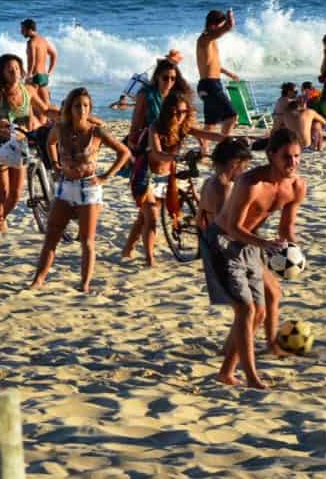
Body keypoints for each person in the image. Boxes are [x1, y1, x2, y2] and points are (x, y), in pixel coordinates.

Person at [203, 128, 306, 389]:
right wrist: (265, 244)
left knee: (259, 312)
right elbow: (233, 227)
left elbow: (286, 229)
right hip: (222, 243)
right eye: (286, 157)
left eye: (296, 156)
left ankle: (226, 372)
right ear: (271, 154)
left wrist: (294, 250)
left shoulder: (296, 186)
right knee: (246, 310)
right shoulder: (250, 183)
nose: (292, 163)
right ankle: (251, 377)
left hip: (251, 244)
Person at [30, 88, 130, 292]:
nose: (81, 110)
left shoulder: (96, 132)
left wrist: (106, 177)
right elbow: (50, 143)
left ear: (90, 108)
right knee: (52, 236)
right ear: (69, 109)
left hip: (89, 189)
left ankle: (84, 284)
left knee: (86, 240)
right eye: (77, 106)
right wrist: (56, 165)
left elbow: (124, 152)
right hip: (65, 187)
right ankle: (38, 280)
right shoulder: (61, 128)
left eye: (85, 106)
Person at [197, 137, 287, 359]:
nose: (245, 171)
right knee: (255, 306)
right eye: (244, 166)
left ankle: (250, 346)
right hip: (235, 249)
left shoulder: (209, 182)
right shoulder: (224, 187)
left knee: (263, 299)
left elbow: (200, 218)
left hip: (231, 246)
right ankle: (242, 349)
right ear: (234, 163)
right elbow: (227, 224)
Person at [121, 91, 226, 266]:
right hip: (146, 176)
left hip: (165, 178)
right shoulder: (155, 127)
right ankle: (150, 259)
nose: (179, 116)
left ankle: (127, 249)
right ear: (167, 111)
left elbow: (208, 135)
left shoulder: (183, 128)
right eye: (176, 111)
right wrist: (174, 158)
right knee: (152, 217)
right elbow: (156, 152)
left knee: (144, 217)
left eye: (183, 112)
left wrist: (229, 139)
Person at [0, 54, 55, 235]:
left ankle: (0, 219)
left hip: (21, 145)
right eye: (9, 70)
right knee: (3, 191)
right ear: (2, 74)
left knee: (16, 193)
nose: (14, 72)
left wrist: (69, 115)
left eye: (16, 68)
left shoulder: (27, 90)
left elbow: (44, 109)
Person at [195, 9, 239, 154]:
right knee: (232, 116)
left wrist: (228, 73)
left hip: (208, 84)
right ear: (213, 25)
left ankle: (204, 149)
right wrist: (229, 21)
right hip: (210, 84)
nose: (221, 29)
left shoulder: (210, 41)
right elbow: (227, 28)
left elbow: (212, 63)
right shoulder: (205, 38)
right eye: (220, 25)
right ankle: (224, 146)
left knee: (211, 123)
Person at [128, 58, 192, 145]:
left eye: (173, 78)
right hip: (150, 137)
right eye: (165, 78)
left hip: (171, 136)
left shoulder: (176, 96)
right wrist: (132, 140)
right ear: (157, 76)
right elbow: (136, 122)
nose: (169, 81)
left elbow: (186, 121)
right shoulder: (145, 94)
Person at [20, 18, 58, 126]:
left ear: (29, 29)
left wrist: (28, 75)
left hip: (34, 77)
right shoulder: (43, 40)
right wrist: (50, 71)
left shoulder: (31, 42)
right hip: (43, 76)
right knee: (46, 105)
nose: (21, 32)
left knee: (31, 104)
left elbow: (32, 60)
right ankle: (56, 121)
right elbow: (54, 54)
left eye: (23, 29)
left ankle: (38, 124)